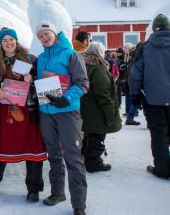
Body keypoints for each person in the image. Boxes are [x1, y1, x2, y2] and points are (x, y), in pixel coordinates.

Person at [0, 28, 47, 202]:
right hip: (9, 110)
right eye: (4, 40)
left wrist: (32, 79)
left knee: (33, 148)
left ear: (16, 40)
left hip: (30, 110)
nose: (9, 43)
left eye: (11, 39)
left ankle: (33, 189)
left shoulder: (31, 60)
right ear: (0, 43)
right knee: (2, 146)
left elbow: (44, 81)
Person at [36, 22, 89, 215]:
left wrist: (66, 99)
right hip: (46, 113)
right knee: (54, 155)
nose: (44, 38)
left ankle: (79, 204)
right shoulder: (41, 58)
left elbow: (83, 83)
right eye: (40, 36)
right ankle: (58, 192)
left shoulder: (71, 54)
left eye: (47, 34)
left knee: (73, 157)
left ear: (55, 33)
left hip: (67, 112)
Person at [130, 14, 170, 179]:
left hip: (153, 98)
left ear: (154, 29)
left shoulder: (145, 47)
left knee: (158, 133)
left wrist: (135, 94)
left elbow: (136, 74)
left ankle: (163, 169)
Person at [80, 41, 122, 173]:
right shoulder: (98, 68)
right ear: (100, 53)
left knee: (89, 134)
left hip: (86, 109)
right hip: (96, 110)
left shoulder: (83, 65)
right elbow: (103, 93)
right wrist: (109, 113)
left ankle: (85, 158)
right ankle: (93, 163)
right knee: (97, 137)